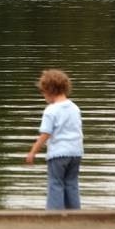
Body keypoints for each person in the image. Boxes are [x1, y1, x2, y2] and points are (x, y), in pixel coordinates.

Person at [25, 69, 83, 210]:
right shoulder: (75, 108)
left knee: (55, 183)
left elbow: (45, 134)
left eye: (43, 92)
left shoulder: (51, 110)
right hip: (76, 153)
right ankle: (75, 213)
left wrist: (33, 152)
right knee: (71, 183)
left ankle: (54, 215)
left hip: (58, 154)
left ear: (49, 90)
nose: (43, 96)